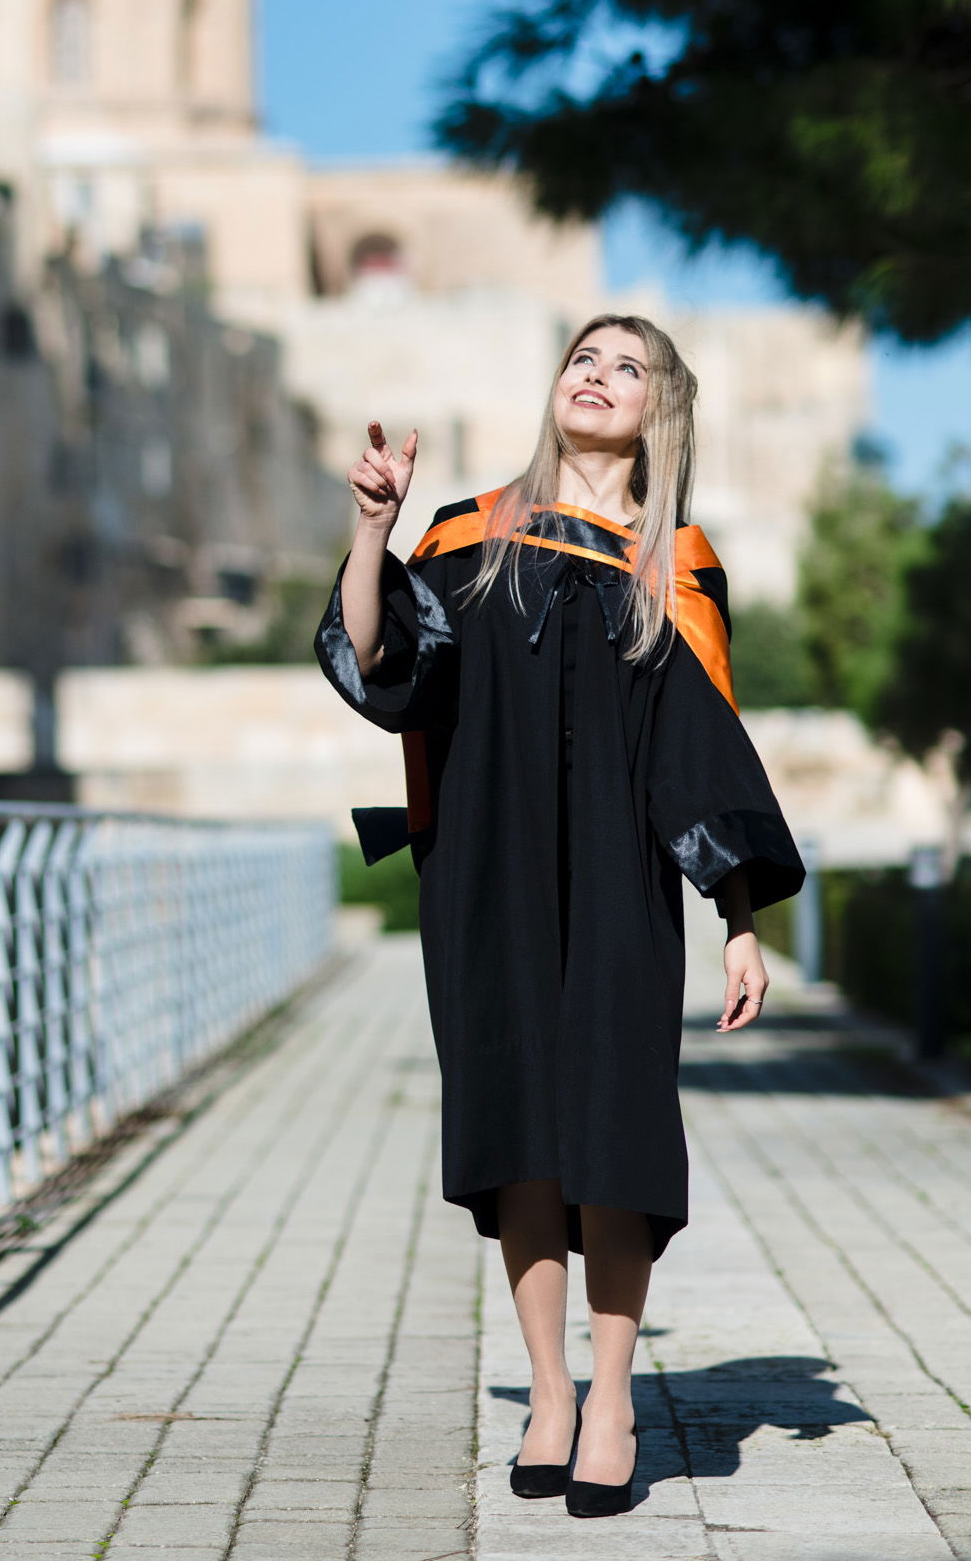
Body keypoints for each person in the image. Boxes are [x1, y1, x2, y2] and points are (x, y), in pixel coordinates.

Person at [314, 313, 804, 1517]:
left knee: (614, 1136)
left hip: (624, 889)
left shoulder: (673, 566)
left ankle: (617, 1395)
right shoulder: (474, 536)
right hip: (487, 878)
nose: (596, 375)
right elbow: (379, 666)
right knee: (519, 1131)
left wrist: (738, 914)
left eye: (627, 366)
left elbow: (703, 758)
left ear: (660, 410)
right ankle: (547, 1390)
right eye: (584, 356)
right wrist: (374, 532)